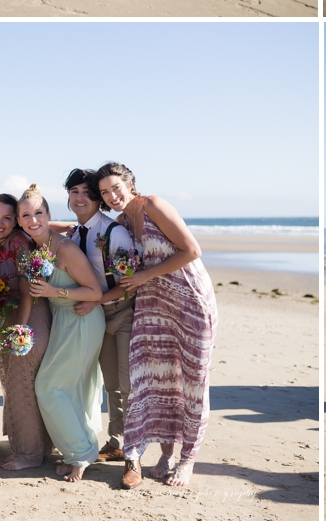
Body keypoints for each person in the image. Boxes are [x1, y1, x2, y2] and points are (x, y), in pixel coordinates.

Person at [98, 162, 217, 489]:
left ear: (130, 184)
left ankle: (187, 458)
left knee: (192, 382)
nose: (112, 196)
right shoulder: (121, 221)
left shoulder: (153, 205)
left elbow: (192, 250)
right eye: (105, 193)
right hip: (154, 308)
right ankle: (165, 454)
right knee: (158, 381)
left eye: (116, 188)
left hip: (191, 301)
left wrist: (145, 276)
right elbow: (79, 226)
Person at [25, 183, 106, 483]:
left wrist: (52, 290)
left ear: (48, 214)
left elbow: (94, 291)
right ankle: (78, 451)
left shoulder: (66, 248)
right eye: (26, 216)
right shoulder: (38, 245)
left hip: (81, 319)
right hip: (63, 318)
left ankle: (81, 455)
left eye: (39, 213)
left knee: (49, 387)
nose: (33, 220)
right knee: (68, 388)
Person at [65, 167, 138, 463]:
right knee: (110, 385)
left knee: (127, 384)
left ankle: (134, 453)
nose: (80, 198)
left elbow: (128, 285)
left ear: (99, 200)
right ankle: (116, 442)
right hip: (96, 319)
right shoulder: (74, 233)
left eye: (87, 193)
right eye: (74, 192)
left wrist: (96, 301)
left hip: (121, 313)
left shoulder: (114, 232)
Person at [0, 188, 56, 470]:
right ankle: (39, 447)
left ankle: (28, 454)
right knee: (26, 384)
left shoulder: (19, 243)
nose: (1, 221)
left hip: (28, 316)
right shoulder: (17, 239)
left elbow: (26, 292)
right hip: (25, 315)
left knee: (20, 384)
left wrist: (20, 328)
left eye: (7, 217)